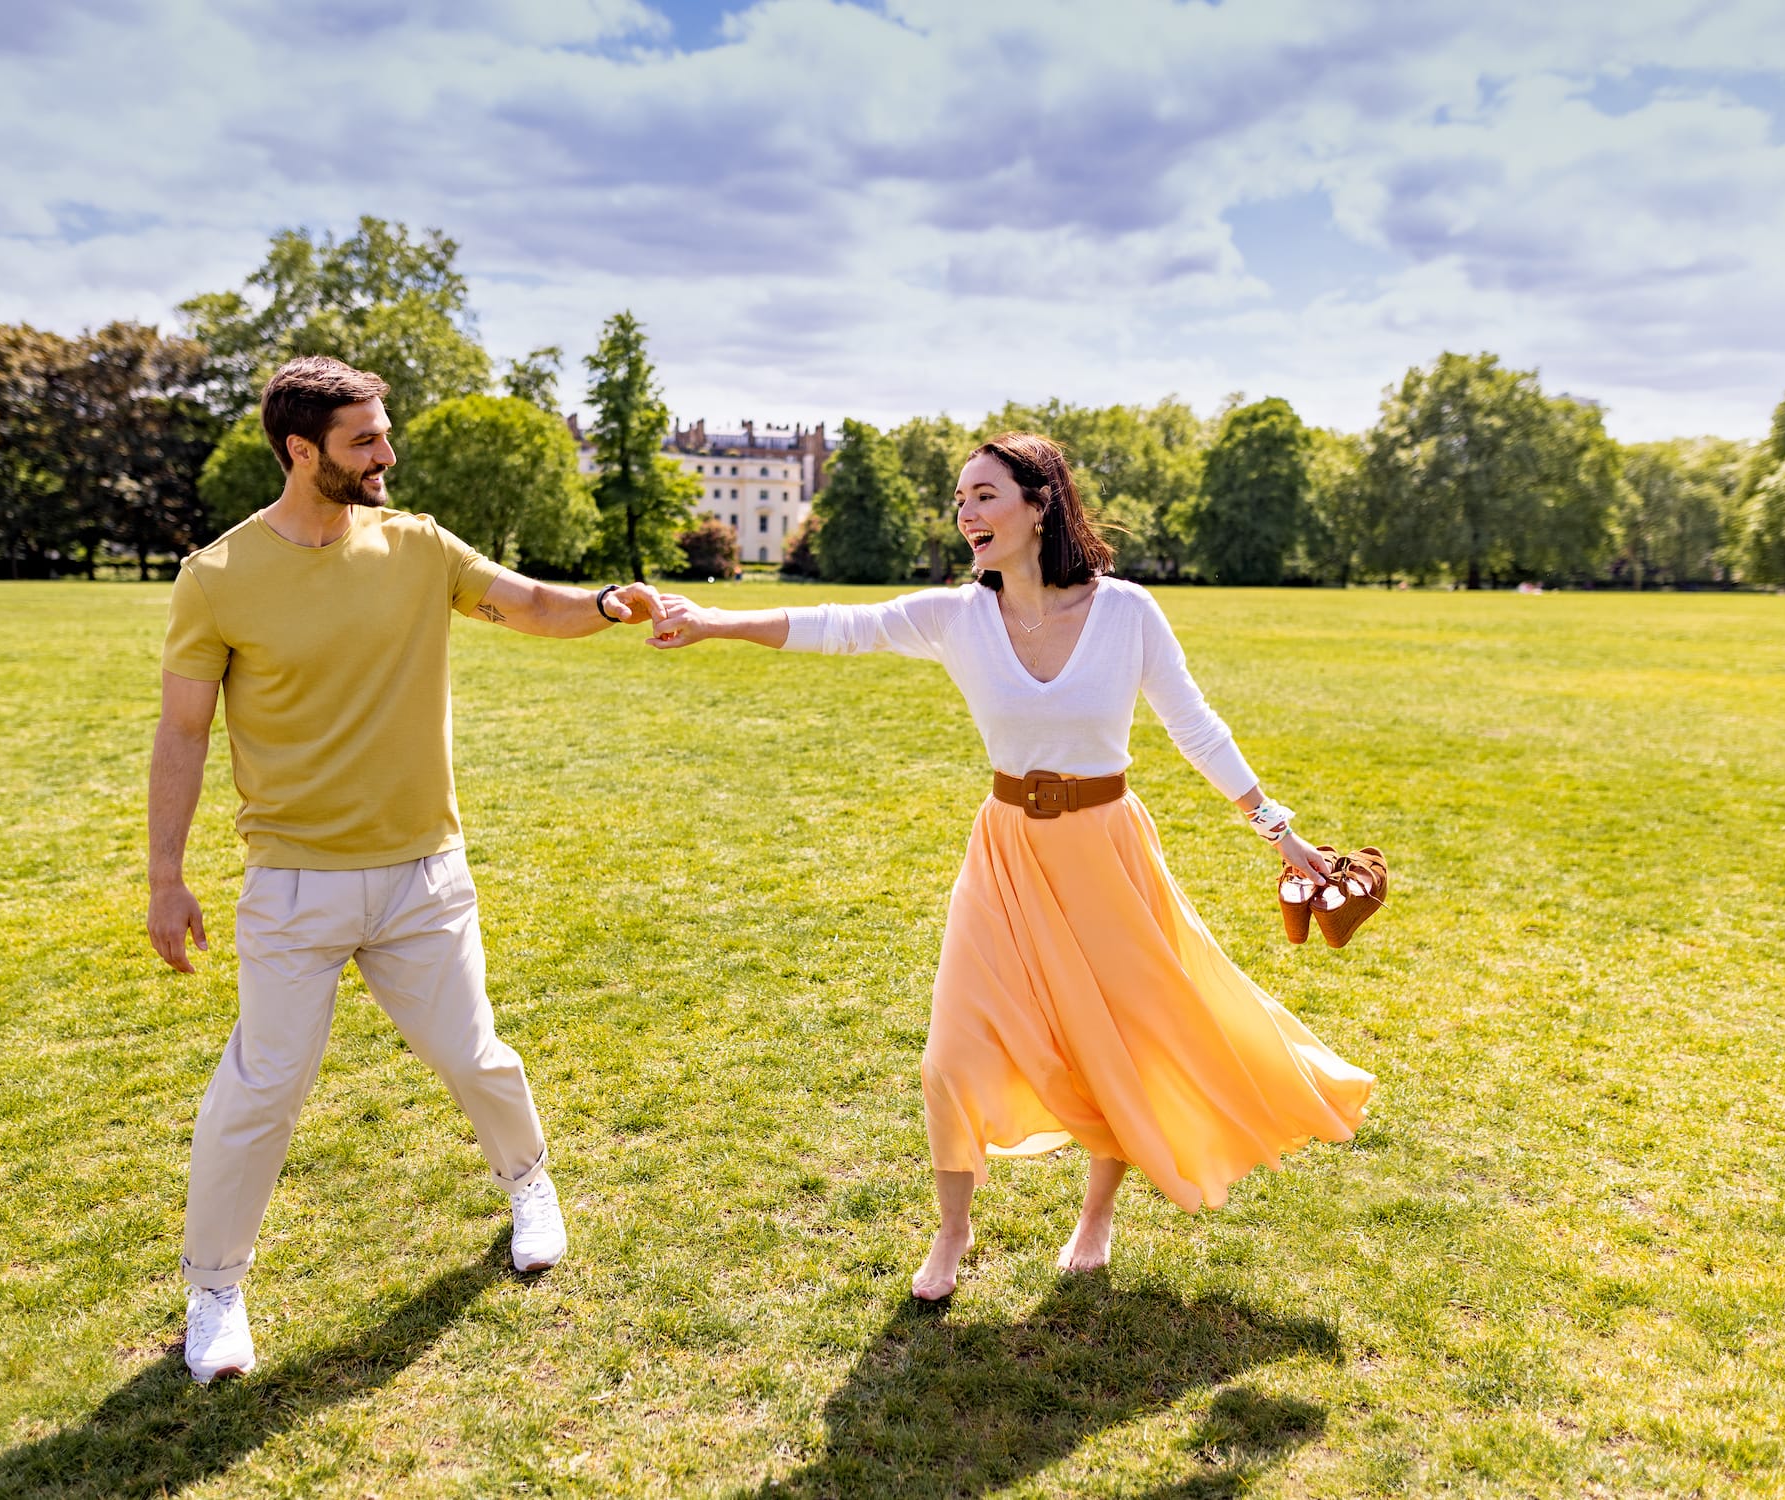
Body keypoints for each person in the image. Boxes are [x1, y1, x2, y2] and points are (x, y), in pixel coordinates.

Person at [649, 433, 1373, 1300]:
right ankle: (952, 1234)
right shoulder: (956, 616)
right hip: (1005, 853)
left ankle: (1097, 1216)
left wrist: (1278, 830)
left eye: (984, 495)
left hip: (1106, 851)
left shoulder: (1128, 612)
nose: (966, 514)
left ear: (1040, 505)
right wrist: (715, 621)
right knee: (952, 1053)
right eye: (960, 500)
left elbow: (1195, 727)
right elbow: (841, 627)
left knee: (1116, 1042)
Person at [146, 356, 671, 1383]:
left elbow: (525, 605)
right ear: (301, 453)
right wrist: (165, 877)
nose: (388, 453)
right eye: (364, 441)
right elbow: (180, 733)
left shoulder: (416, 544)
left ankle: (528, 1182)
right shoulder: (216, 575)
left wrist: (607, 603)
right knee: (262, 1092)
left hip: (423, 874)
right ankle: (214, 1289)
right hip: (293, 885)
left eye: (385, 433)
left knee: (474, 1056)